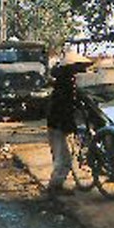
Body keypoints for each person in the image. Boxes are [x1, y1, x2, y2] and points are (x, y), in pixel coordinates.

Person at [45, 50, 93, 196]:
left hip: (56, 123)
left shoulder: (63, 81)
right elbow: (65, 108)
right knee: (63, 157)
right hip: (58, 124)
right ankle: (55, 186)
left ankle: (56, 185)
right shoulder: (66, 84)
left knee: (62, 155)